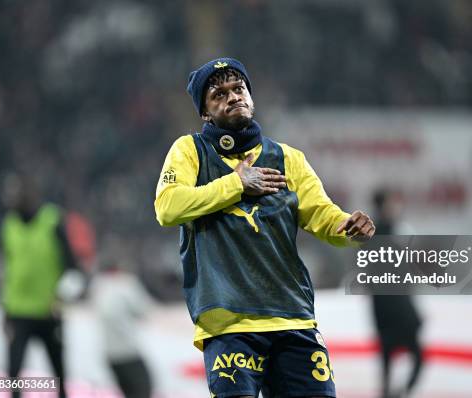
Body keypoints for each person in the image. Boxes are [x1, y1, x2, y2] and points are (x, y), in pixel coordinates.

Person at [154, 58, 375, 398]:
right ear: (205, 112)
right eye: (218, 93)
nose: (232, 96)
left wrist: (349, 228)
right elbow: (168, 208)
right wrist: (237, 184)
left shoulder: (288, 158)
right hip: (230, 325)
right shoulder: (190, 151)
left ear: (252, 98)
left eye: (238, 88)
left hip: (293, 319)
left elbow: (322, 215)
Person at [0, 175, 75, 398]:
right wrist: (4, 311)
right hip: (17, 311)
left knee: (59, 373)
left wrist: (61, 297)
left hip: (47, 311)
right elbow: (7, 269)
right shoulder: (9, 224)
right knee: (13, 375)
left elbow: (72, 267)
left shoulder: (52, 220)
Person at [370, 189, 423, 398]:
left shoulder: (372, 231)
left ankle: (392, 394)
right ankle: (398, 393)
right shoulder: (394, 231)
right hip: (394, 307)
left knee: (387, 360)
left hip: (383, 307)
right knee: (413, 356)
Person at [90, 257, 154, 398]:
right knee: (144, 390)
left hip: (109, 354)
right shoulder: (126, 284)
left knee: (128, 392)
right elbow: (143, 310)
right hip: (128, 351)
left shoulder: (98, 286)